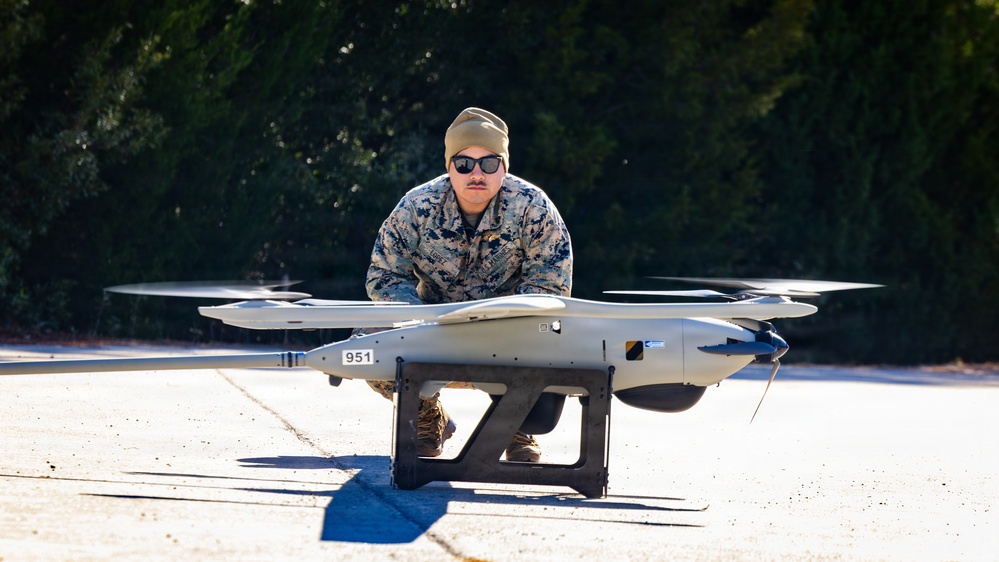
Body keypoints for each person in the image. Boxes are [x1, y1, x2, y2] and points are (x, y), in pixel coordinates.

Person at [361, 107, 573, 462]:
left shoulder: (534, 208)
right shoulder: (417, 206)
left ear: (503, 167)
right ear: (449, 167)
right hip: (432, 328)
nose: (477, 173)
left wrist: (506, 324)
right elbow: (384, 276)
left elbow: (550, 288)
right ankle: (429, 416)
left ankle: (515, 424)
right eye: (464, 163)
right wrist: (415, 322)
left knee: (556, 336)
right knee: (369, 340)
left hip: (510, 332)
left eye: (489, 163)